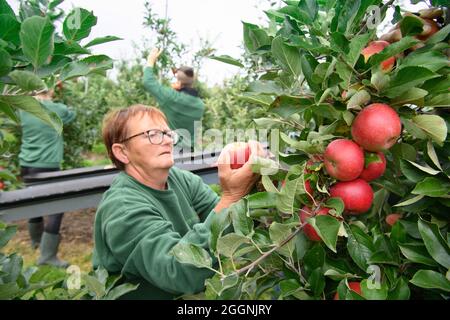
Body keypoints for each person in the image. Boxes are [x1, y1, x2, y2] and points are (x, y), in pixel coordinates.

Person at [92, 104, 264, 299]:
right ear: (122, 152)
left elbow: (229, 224)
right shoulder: (122, 208)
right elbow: (177, 273)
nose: (166, 141)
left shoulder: (181, 180)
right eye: (153, 134)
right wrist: (232, 197)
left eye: (167, 133)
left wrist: (257, 185)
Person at [19, 88, 76, 268]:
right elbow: (71, 115)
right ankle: (48, 256)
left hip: (26, 165)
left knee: (34, 201)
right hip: (48, 166)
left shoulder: (24, 108)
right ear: (50, 89)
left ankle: (36, 241)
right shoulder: (56, 109)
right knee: (57, 207)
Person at [143, 48, 205, 150]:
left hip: (173, 149)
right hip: (192, 151)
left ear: (179, 82)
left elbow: (148, 82)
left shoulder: (171, 98)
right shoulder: (200, 105)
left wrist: (150, 60)